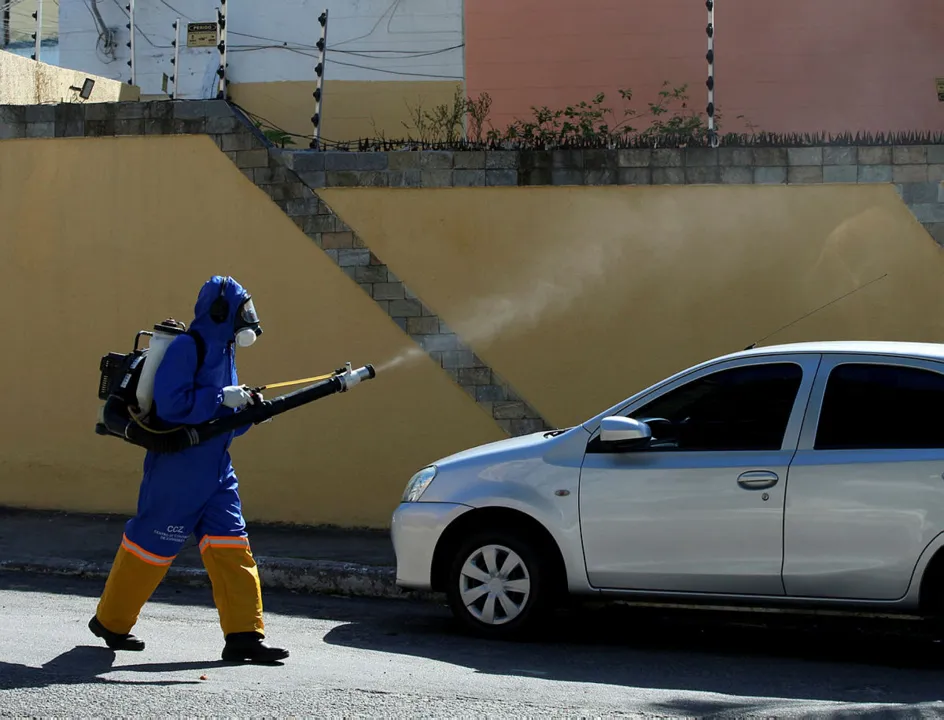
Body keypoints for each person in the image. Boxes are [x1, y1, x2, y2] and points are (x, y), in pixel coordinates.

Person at [88, 275, 289, 663]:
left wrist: (249, 412)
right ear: (221, 310)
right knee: (151, 548)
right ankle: (110, 622)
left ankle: (245, 635)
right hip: (177, 469)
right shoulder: (187, 348)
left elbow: (220, 419)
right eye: (242, 310)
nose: (248, 320)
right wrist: (221, 397)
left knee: (233, 548)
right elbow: (171, 406)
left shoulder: (226, 351)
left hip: (216, 470)